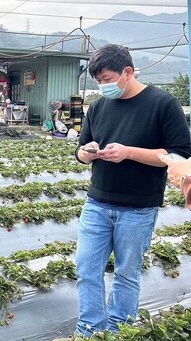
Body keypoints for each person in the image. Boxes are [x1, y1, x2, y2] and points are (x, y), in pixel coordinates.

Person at [72, 44, 191, 338]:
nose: (103, 86)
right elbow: (80, 147)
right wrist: (85, 153)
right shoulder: (98, 107)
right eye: (98, 81)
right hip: (97, 202)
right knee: (86, 269)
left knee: (126, 274)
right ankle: (90, 330)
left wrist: (129, 152)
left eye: (108, 79)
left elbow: (180, 155)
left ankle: (119, 331)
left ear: (127, 72)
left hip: (138, 207)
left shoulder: (163, 104)